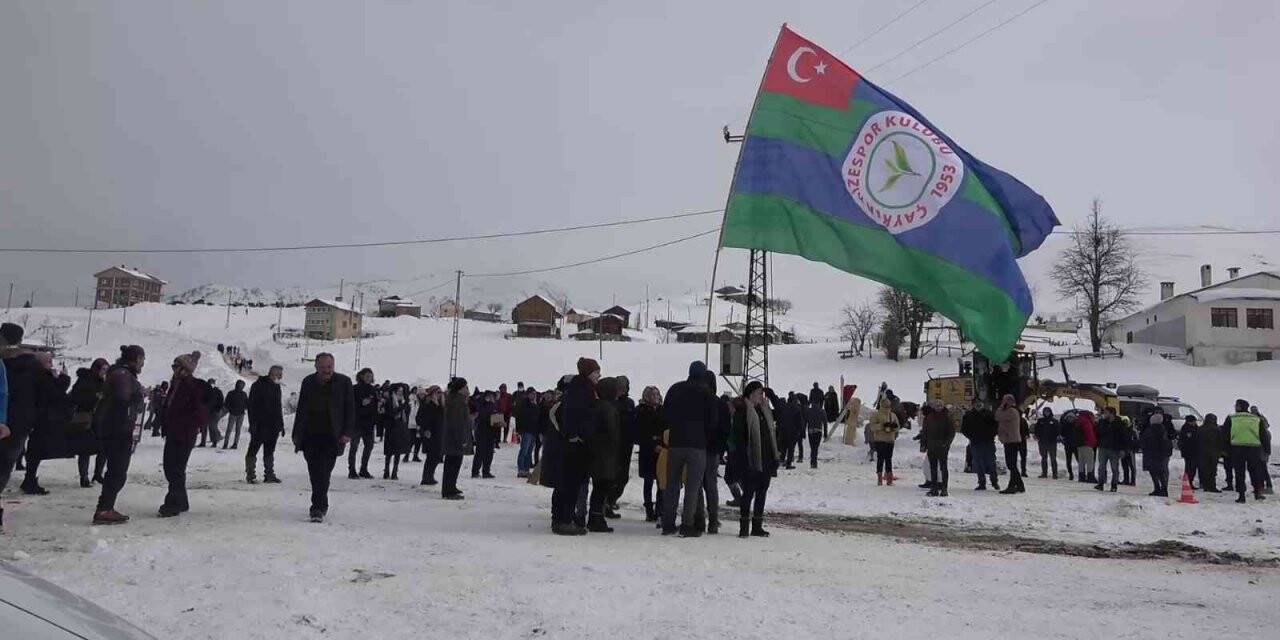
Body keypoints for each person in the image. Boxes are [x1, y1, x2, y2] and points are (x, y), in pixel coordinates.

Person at [291, 353, 355, 523]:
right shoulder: (308, 382)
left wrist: (347, 432)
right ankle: (319, 505)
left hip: (332, 435)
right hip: (310, 434)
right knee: (314, 471)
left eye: (329, 367)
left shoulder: (344, 382)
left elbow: (350, 409)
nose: (327, 370)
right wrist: (296, 434)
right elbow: (301, 410)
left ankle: (318, 506)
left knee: (324, 471)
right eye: (323, 367)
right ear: (316, 367)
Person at [91, 345, 146, 525]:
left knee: (116, 470)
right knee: (117, 471)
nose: (143, 364)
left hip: (114, 427)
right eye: (142, 360)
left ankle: (105, 507)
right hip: (118, 429)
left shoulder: (119, 373)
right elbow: (123, 398)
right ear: (137, 358)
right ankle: (104, 509)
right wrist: (138, 396)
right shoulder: (123, 375)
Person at [662, 360, 715, 537]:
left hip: (676, 443)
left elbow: (665, 413)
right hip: (697, 445)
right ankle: (687, 524)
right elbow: (711, 421)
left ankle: (668, 523)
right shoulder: (705, 393)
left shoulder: (675, 389)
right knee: (693, 488)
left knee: (671, 485)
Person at [728, 381, 779, 538]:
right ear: (750, 394)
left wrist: (772, 397)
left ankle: (757, 526)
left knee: (762, 492)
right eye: (758, 393)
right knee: (748, 493)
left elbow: (781, 414)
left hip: (766, 459)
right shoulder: (743, 410)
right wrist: (742, 457)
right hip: (750, 460)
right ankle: (744, 527)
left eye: (762, 394)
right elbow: (737, 437)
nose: (761, 397)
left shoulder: (764, 411)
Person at [159, 352, 206, 517]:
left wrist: (183, 424)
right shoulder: (176, 384)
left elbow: (198, 413)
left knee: (174, 469)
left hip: (184, 434)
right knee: (172, 468)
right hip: (174, 432)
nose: (173, 369)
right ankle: (182, 501)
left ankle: (173, 504)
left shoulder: (193, 386)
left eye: (176, 366)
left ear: (184, 369)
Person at [1, 322, 39, 526]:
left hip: (10, 419)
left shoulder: (5, 364)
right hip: (21, 421)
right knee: (5, 465)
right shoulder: (32, 364)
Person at [17, 353, 71, 496]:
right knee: (35, 450)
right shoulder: (40, 377)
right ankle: (29, 480)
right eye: (48, 361)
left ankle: (29, 479)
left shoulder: (36, 375)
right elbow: (56, 394)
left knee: (35, 450)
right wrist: (63, 378)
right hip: (40, 418)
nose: (51, 364)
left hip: (36, 417)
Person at [585, 377, 622, 533]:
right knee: (603, 486)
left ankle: (596, 516)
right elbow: (613, 432)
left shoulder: (597, 406)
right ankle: (596, 517)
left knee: (600, 486)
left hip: (597, 452)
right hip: (605, 453)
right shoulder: (608, 408)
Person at [67, 358, 108, 487]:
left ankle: (98, 474)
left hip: (100, 419)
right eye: (103, 369)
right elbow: (75, 397)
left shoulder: (104, 382)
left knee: (102, 448)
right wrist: (94, 397)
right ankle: (84, 477)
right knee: (85, 449)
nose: (104, 372)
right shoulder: (84, 380)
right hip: (85, 417)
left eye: (106, 370)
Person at [246, 365, 285, 484]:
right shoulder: (258, 386)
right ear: (273, 373)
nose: (281, 377)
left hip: (273, 426)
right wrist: (253, 424)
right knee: (253, 449)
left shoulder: (276, 387)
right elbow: (251, 406)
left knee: (269, 451)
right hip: (259, 425)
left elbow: (278, 407)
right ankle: (250, 475)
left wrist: (281, 425)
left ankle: (269, 475)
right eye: (279, 375)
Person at [1223, 399, 1267, 503]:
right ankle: (1257, 493)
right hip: (1254, 448)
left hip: (1237, 448)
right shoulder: (1256, 419)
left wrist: (1225, 449)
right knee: (1255, 472)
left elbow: (1225, 435)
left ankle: (1241, 495)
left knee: (1239, 473)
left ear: (1239, 407)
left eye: (1236, 405)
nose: (1235, 407)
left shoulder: (1231, 418)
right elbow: (1263, 435)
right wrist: (1265, 449)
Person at [607, 376, 637, 519]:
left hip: (626, 445)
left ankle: (610, 501)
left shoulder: (629, 403)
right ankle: (606, 504)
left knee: (622, 478)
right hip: (613, 445)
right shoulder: (610, 403)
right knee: (610, 477)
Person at [636, 386, 665, 522]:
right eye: (653, 395)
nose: (656, 397)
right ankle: (649, 510)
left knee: (661, 481)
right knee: (648, 481)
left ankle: (660, 509)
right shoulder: (641, 411)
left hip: (662, 450)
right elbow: (641, 432)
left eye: (657, 395)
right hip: (648, 451)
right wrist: (652, 445)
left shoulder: (663, 411)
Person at [440, 378, 473, 500]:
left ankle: (451, 487)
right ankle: (448, 491)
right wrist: (462, 439)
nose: (467, 389)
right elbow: (457, 422)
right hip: (455, 439)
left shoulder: (456, 399)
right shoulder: (457, 402)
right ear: (460, 388)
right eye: (465, 387)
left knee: (454, 464)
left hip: (453, 438)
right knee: (452, 465)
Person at [962, 401, 1000, 490]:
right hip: (975, 443)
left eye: (980, 403)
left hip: (988, 442)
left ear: (983, 404)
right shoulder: (969, 415)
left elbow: (996, 426)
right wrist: (971, 437)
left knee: (991, 462)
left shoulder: (989, 414)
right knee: (978, 463)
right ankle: (982, 483)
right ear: (973, 405)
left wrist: (991, 435)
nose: (978, 405)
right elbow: (964, 429)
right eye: (976, 403)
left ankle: (994, 481)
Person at [349, 368, 378, 479]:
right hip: (357, 422)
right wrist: (361, 403)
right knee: (354, 447)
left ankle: (363, 469)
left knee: (369, 446)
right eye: (367, 376)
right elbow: (350, 405)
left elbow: (375, 405)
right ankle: (352, 470)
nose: (369, 378)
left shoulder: (372, 390)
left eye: (371, 376)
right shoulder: (355, 389)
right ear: (361, 376)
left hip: (369, 423)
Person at [922, 401, 954, 496]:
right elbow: (925, 432)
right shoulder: (929, 417)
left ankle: (944, 489)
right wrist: (923, 445)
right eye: (937, 406)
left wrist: (946, 444)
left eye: (940, 406)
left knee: (943, 468)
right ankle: (934, 488)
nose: (938, 407)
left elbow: (951, 433)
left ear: (943, 407)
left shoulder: (947, 417)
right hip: (931, 447)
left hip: (942, 447)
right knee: (933, 468)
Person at [994, 394, 1025, 495]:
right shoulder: (1012, 411)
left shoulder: (1011, 411)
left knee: (1011, 464)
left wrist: (1000, 407)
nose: (1003, 403)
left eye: (1004, 401)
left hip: (1011, 440)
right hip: (1010, 440)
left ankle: (1013, 486)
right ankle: (1019, 485)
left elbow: (997, 416)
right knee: (1012, 464)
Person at [1140, 412, 1173, 497]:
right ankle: (1164, 489)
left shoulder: (1150, 430)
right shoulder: (1163, 430)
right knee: (1161, 472)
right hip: (1161, 455)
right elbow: (1167, 443)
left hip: (1151, 454)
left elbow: (1144, 441)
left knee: (1153, 472)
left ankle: (1157, 488)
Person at [869, 397, 900, 486]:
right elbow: (872, 427)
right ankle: (879, 478)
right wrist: (882, 426)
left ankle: (889, 478)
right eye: (886, 406)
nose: (887, 407)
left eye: (889, 405)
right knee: (880, 459)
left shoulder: (893, 415)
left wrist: (893, 427)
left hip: (890, 440)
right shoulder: (876, 415)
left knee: (889, 459)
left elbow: (898, 426)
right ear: (882, 405)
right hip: (880, 440)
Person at [417, 386, 444, 485]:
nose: (439, 394)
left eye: (440, 392)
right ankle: (426, 477)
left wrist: (438, 404)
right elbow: (420, 418)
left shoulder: (440, 404)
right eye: (437, 392)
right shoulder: (427, 404)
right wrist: (426, 429)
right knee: (432, 456)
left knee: (437, 456)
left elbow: (443, 416)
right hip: (430, 433)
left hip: (439, 433)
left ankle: (430, 475)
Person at [382, 384, 410, 480]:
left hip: (400, 428)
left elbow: (406, 414)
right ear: (394, 391)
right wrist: (401, 407)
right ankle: (386, 470)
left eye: (402, 391)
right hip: (391, 428)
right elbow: (390, 413)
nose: (401, 392)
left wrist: (404, 407)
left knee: (398, 451)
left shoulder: (404, 401)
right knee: (389, 452)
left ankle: (395, 471)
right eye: (399, 390)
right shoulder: (390, 400)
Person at [1093, 407, 1124, 492]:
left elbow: (1123, 437)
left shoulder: (1119, 423)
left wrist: (1122, 449)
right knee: (1101, 467)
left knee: (1114, 468)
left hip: (1114, 449)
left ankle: (1114, 485)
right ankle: (1100, 484)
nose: (1104, 414)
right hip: (1103, 447)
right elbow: (1098, 432)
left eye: (1106, 413)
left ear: (1112, 413)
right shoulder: (1103, 422)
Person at [471, 391, 498, 479]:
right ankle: (475, 471)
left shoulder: (493, 405)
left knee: (489, 453)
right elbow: (480, 415)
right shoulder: (480, 404)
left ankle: (486, 471)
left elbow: (496, 416)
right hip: (481, 430)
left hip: (491, 431)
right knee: (480, 452)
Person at [514, 388, 540, 478]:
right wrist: (519, 430)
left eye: (534, 394)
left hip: (533, 431)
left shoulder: (536, 405)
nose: (533, 396)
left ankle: (526, 469)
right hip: (526, 431)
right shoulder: (524, 404)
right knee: (524, 451)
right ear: (528, 394)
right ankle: (521, 470)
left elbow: (537, 418)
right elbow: (519, 417)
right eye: (532, 394)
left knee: (529, 452)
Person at [1197, 414, 1223, 493]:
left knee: (1204, 469)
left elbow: (1197, 441)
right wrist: (1220, 452)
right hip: (1213, 452)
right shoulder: (1217, 429)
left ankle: (1205, 485)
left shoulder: (1201, 429)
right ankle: (1212, 486)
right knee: (1212, 470)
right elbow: (1220, 441)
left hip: (1202, 452)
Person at [1251, 406, 1273, 494]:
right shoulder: (1266, 431)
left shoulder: (1263, 431)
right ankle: (1264, 487)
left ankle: (1267, 487)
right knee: (1262, 470)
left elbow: (1264, 444)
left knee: (1262, 470)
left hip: (1261, 453)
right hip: (1263, 453)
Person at [221, 380, 248, 450]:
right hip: (241, 414)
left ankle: (225, 444)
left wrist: (230, 409)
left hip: (233, 413)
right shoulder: (244, 394)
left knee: (229, 430)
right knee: (238, 430)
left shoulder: (231, 393)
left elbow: (226, 403)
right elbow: (247, 404)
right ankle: (235, 444)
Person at [1034, 407, 1059, 479]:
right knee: (1044, 458)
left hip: (1052, 443)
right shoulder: (1040, 421)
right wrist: (1037, 436)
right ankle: (1044, 473)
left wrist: (1055, 437)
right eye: (1045, 411)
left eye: (1048, 411)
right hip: (1042, 442)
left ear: (1050, 412)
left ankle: (1055, 474)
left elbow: (1058, 431)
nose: (1046, 413)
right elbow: (1036, 430)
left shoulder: (1054, 421)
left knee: (1053, 459)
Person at [1176, 415, 1200, 489]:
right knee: (1189, 468)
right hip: (1188, 452)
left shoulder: (1196, 428)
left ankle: (1190, 482)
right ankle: (1188, 482)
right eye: (1193, 421)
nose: (1195, 422)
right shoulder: (1185, 428)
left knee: (1193, 468)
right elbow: (1183, 441)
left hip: (1195, 451)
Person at [198, 379, 224, 447]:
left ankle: (214, 442)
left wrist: (218, 409)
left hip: (214, 411)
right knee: (204, 427)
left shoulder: (218, 391)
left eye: (212, 383)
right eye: (209, 383)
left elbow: (221, 401)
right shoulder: (205, 391)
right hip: (206, 411)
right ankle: (203, 442)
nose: (210, 385)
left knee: (212, 426)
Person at [1076, 410, 1098, 484]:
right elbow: (1089, 434)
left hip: (1079, 444)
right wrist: (1093, 442)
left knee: (1081, 461)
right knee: (1090, 461)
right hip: (1087, 444)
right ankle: (1090, 476)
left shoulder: (1079, 420)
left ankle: (1081, 476)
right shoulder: (1087, 422)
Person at [805, 393, 826, 469]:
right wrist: (826, 433)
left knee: (812, 447)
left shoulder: (808, 411)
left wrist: (804, 431)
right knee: (815, 448)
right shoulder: (822, 411)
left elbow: (805, 421)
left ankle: (812, 462)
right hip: (818, 431)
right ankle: (814, 462)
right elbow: (825, 423)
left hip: (810, 431)